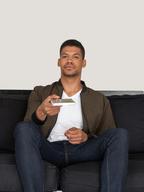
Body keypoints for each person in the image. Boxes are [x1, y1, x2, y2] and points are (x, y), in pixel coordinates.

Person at [14, 39, 129, 192]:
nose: (69, 60)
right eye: (64, 56)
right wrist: (41, 112)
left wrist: (86, 137)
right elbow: (27, 129)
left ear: (84, 63)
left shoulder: (99, 99)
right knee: (22, 128)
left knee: (120, 134)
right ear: (58, 62)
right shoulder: (40, 92)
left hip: (83, 150)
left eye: (75, 57)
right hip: (49, 149)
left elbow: (107, 135)